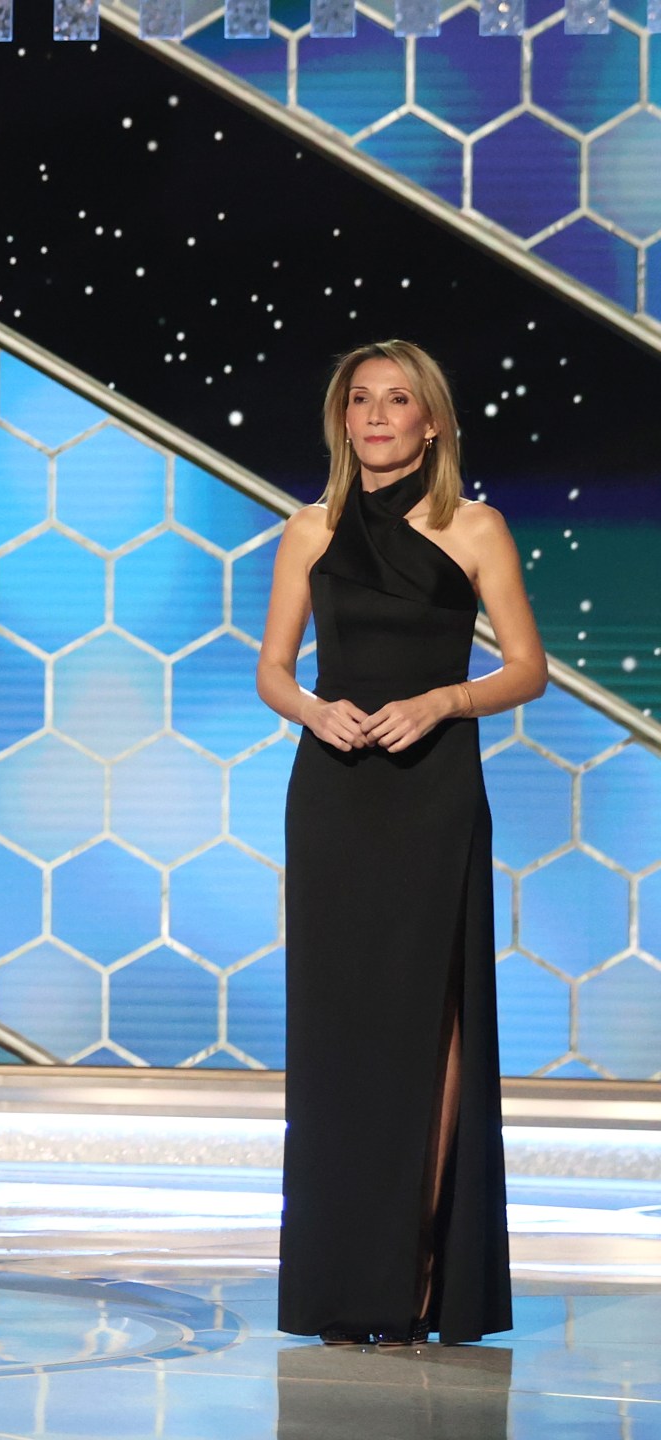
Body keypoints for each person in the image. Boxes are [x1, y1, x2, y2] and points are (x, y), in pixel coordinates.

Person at [256, 340, 544, 1346]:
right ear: (342, 421)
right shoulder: (305, 531)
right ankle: (344, 1282)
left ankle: (421, 1273)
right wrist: (312, 713)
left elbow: (526, 668)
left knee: (432, 1025)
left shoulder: (474, 529)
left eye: (398, 401)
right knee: (339, 1041)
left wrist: (439, 702)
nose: (377, 416)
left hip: (432, 797)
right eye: (361, 401)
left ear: (432, 423)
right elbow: (274, 671)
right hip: (334, 798)